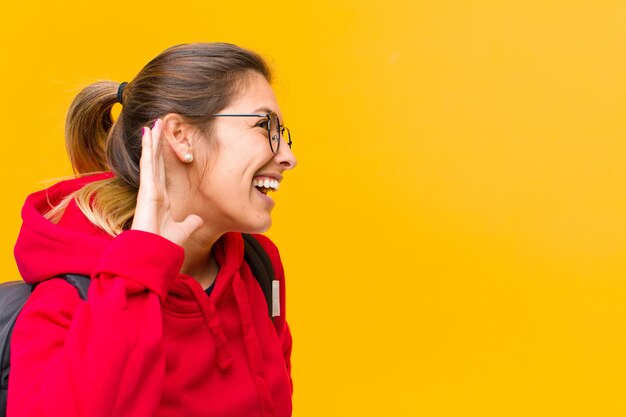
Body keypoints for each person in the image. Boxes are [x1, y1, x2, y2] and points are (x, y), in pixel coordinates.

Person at [8, 42, 297, 417]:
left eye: (282, 132)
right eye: (263, 126)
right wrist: (138, 267)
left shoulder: (258, 268)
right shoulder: (73, 287)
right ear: (180, 135)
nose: (288, 157)